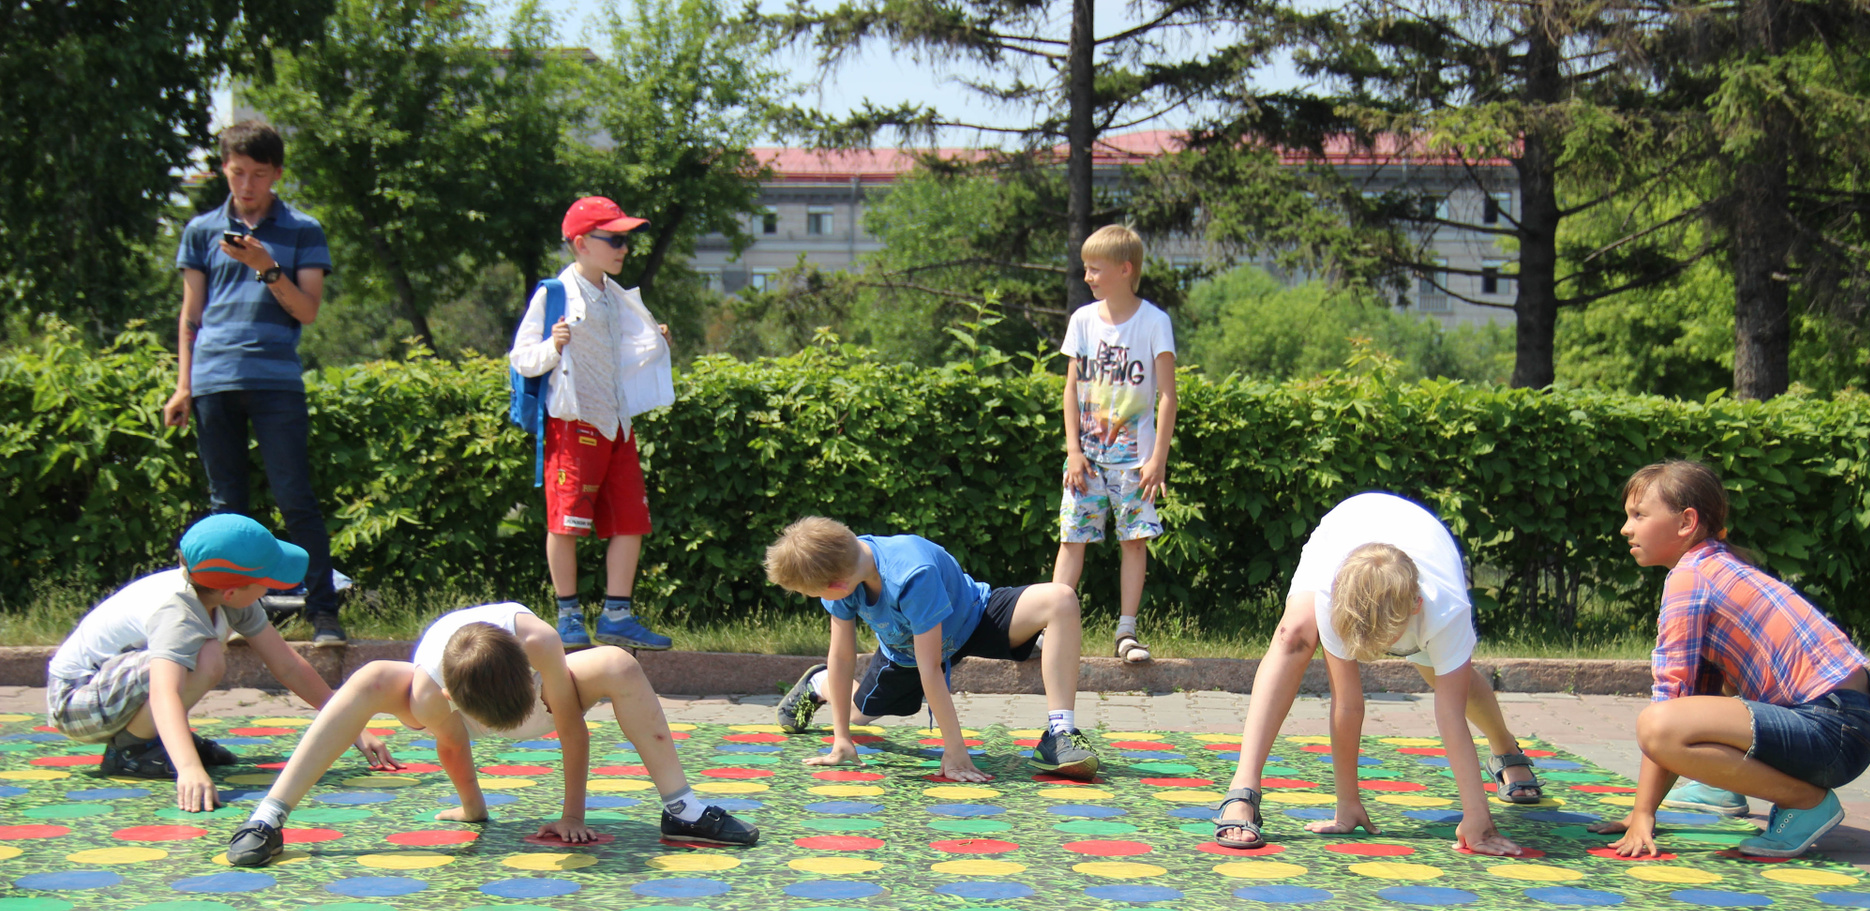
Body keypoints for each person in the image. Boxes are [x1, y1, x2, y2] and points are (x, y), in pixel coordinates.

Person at [224, 601, 757, 866]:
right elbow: (452, 742)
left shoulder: (540, 644)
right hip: (465, 708)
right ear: (453, 699)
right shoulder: (429, 695)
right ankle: (268, 817)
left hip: (543, 703)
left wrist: (573, 816)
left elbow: (571, 728)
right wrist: (473, 809)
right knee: (371, 678)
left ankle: (682, 808)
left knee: (617, 662)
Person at [1212, 492, 1541, 855]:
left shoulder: (1446, 611)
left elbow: (1450, 715)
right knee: (1294, 634)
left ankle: (1504, 748)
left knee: (1441, 677)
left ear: (1415, 608)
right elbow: (1348, 705)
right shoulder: (1335, 595)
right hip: (1344, 533)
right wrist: (1347, 802)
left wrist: (1478, 817)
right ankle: (1243, 790)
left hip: (1420, 545)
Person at [1589, 461, 1870, 860]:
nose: (1626, 528)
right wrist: (1645, 808)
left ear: (1686, 522)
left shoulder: (1691, 577)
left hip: (1830, 730)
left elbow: (1669, 703)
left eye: (1639, 515)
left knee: (1656, 726)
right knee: (1701, 701)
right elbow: (1697, 697)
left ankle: (1806, 802)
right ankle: (1720, 787)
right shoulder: (1718, 564)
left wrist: (1643, 814)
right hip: (1846, 726)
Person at [47, 515, 396, 813]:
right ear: (232, 592)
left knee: (205, 654)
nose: (270, 588)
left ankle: (151, 740)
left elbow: (288, 666)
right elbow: (164, 692)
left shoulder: (226, 595)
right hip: (75, 702)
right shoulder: (176, 613)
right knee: (207, 656)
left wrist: (352, 725)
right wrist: (189, 768)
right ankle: (133, 751)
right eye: (266, 581)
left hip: (112, 693)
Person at [163, 121, 345, 646]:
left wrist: (266, 266)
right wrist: (183, 385)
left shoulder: (303, 229)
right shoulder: (201, 230)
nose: (246, 185)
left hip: (276, 380)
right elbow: (190, 315)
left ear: (277, 174)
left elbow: (307, 311)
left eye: (258, 174)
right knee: (227, 509)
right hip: (213, 379)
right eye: (237, 172)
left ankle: (324, 613)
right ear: (224, 169)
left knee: (295, 499)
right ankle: (228, 620)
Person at [765, 517, 1099, 781]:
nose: (817, 600)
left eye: (813, 595)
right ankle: (818, 683)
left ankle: (1060, 733)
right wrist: (842, 739)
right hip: (905, 654)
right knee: (856, 714)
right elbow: (841, 656)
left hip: (972, 615)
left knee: (1060, 600)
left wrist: (955, 750)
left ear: (836, 585)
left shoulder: (911, 575)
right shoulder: (844, 567)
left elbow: (931, 669)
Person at [508, 196, 676, 653]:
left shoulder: (615, 296)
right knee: (566, 523)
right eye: (614, 240)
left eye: (625, 240)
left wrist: (655, 341)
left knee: (631, 520)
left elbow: (617, 357)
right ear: (582, 243)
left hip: (617, 423)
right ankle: (568, 616)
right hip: (573, 422)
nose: (624, 248)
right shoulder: (554, 294)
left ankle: (617, 615)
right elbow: (522, 357)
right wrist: (553, 346)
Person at [1052, 224, 1177, 665]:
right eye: (1085, 268)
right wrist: (1073, 450)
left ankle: (1126, 632)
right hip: (1085, 461)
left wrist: (1158, 459)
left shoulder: (1154, 322)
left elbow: (1167, 395)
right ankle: (1050, 628)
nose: (1087, 276)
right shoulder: (1082, 321)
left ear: (1125, 270)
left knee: (1134, 542)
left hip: (1135, 463)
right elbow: (1071, 389)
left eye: (1095, 269)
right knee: (1072, 540)